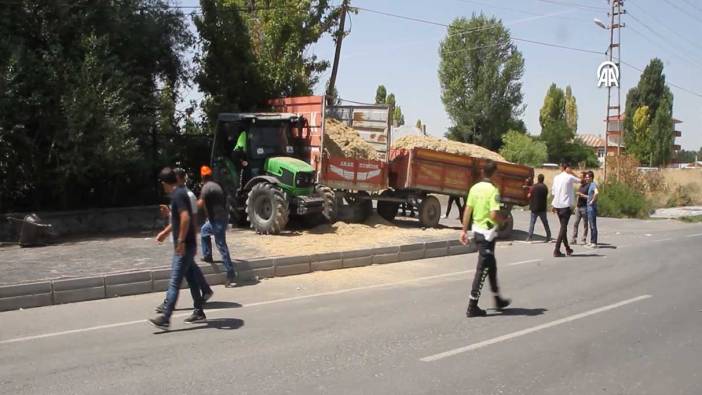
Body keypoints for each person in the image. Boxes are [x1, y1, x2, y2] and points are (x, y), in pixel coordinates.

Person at [149, 167, 208, 329]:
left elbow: (185, 218)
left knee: (174, 282)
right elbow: (177, 220)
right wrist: (165, 233)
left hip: (183, 246)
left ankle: (166, 318)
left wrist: (181, 241)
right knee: (191, 280)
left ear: (164, 182)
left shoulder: (178, 195)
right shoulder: (181, 192)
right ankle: (199, 310)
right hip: (187, 244)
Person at [460, 160, 511, 317]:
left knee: (491, 266)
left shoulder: (474, 188)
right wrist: (503, 221)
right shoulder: (493, 191)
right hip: (487, 234)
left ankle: (497, 299)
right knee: (482, 269)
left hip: (477, 232)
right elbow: (494, 214)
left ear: (483, 172)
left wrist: (463, 230)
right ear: (494, 174)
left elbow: (468, 210)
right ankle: (472, 305)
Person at [198, 165, 237, 286]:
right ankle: (208, 255)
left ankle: (230, 274)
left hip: (217, 219)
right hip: (220, 217)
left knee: (221, 245)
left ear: (202, 176)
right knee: (204, 231)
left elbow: (200, 204)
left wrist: (186, 207)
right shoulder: (216, 185)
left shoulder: (206, 187)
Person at [551, 162, 580, 257]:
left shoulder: (556, 178)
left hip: (557, 205)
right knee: (563, 228)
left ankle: (567, 248)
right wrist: (572, 173)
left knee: (563, 228)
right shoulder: (569, 177)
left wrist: (553, 205)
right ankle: (556, 249)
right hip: (565, 206)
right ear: (567, 168)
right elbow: (580, 180)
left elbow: (554, 192)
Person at [526, 174, 551, 242]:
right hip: (542, 208)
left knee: (532, 223)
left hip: (534, 208)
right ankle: (548, 236)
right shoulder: (545, 187)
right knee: (545, 223)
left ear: (538, 179)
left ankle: (529, 237)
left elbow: (529, 195)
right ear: (543, 179)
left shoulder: (534, 187)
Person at [571, 172, 589, 245]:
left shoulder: (588, 186)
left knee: (585, 224)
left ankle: (584, 239)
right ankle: (574, 239)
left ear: (585, 178)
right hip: (578, 207)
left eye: (581, 177)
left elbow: (590, 197)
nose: (580, 179)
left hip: (585, 207)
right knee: (575, 223)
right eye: (579, 177)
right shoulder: (580, 186)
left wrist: (581, 195)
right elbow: (578, 197)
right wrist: (576, 206)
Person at [586, 170, 599, 248]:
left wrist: (592, 201)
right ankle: (591, 241)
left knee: (593, 225)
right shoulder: (590, 185)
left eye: (587, 177)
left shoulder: (593, 184)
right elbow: (590, 195)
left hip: (592, 208)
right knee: (591, 225)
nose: (586, 178)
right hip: (589, 207)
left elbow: (596, 192)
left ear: (591, 177)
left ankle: (594, 242)